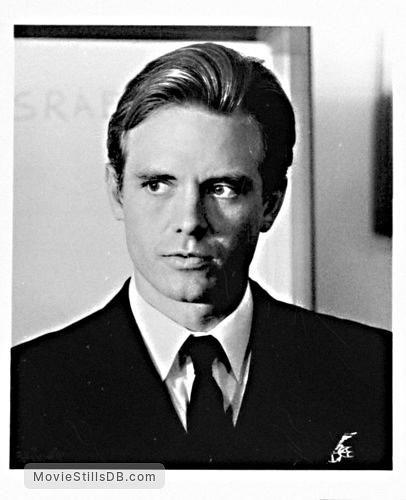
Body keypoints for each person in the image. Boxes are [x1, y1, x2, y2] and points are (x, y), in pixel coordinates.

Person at [10, 42, 391, 469]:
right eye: (157, 184)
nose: (190, 221)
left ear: (271, 203)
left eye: (222, 188)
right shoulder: (22, 388)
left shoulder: (380, 373)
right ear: (117, 192)